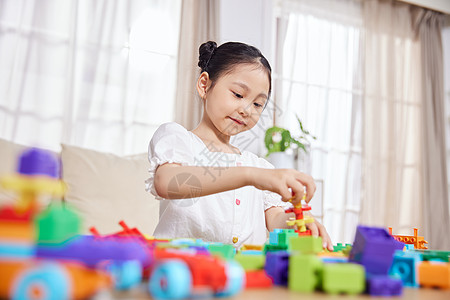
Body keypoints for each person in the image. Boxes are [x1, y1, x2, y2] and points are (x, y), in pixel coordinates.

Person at [146, 41, 333, 250]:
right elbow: (168, 183)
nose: (246, 109)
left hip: (241, 276)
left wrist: (299, 221)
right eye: (238, 94)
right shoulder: (176, 138)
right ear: (204, 85)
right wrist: (250, 176)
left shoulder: (260, 167)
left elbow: (276, 220)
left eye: (257, 104)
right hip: (181, 269)